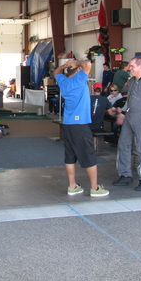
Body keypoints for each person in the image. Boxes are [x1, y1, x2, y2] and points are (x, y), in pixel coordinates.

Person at [54, 59, 109, 198]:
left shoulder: (63, 81)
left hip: (67, 125)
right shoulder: (79, 79)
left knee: (70, 156)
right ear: (78, 70)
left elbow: (56, 72)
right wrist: (76, 63)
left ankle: (72, 186)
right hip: (80, 125)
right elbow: (88, 64)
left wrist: (64, 65)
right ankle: (95, 188)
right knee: (89, 156)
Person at [112, 57, 141, 191]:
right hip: (130, 115)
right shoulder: (132, 80)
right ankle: (125, 174)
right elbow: (130, 97)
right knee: (123, 144)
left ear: (140, 66)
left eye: (132, 66)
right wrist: (122, 112)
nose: (129, 68)